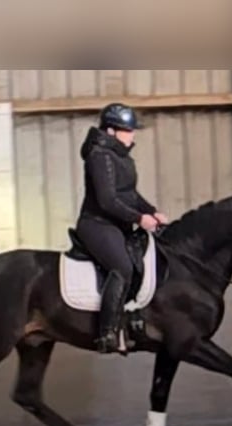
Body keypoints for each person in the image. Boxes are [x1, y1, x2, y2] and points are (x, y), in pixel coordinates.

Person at [75, 103, 169, 354]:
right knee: (122, 267)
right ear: (111, 130)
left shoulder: (120, 156)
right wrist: (140, 219)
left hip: (118, 222)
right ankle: (107, 332)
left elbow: (130, 194)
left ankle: (135, 319)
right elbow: (107, 201)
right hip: (97, 224)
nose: (132, 135)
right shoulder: (100, 156)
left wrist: (152, 212)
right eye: (128, 130)